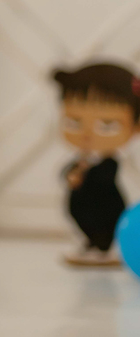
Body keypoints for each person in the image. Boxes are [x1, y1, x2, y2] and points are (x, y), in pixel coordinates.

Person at [52, 62, 140, 267]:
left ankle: (104, 246)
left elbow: (104, 178)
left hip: (105, 211)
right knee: (89, 225)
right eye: (75, 122)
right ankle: (93, 244)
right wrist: (72, 175)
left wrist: (85, 175)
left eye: (107, 125)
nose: (88, 133)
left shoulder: (110, 163)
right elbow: (68, 172)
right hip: (84, 210)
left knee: (103, 226)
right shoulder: (82, 159)